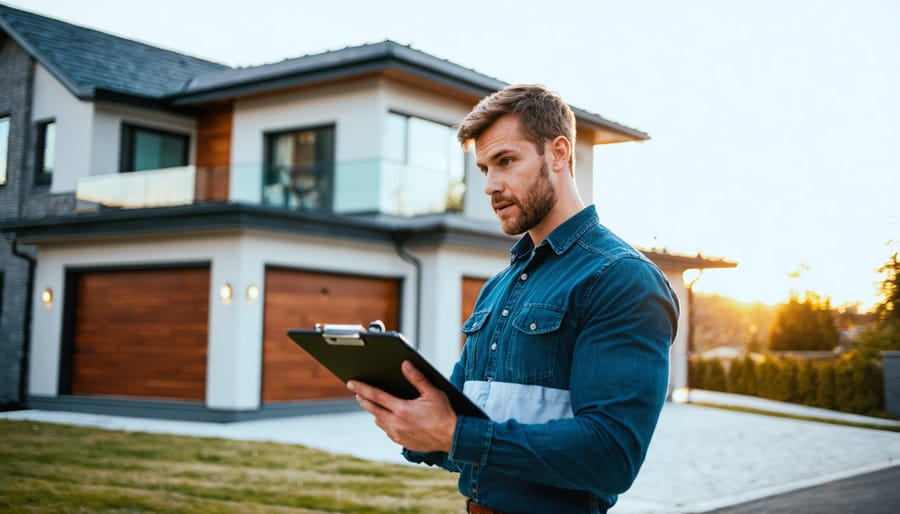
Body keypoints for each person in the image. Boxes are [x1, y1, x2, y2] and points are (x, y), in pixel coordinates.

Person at [348, 84, 680, 514]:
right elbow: (471, 435)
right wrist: (412, 424)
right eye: (484, 168)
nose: (490, 185)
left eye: (506, 161)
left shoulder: (621, 279)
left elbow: (612, 455)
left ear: (559, 153)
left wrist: (452, 434)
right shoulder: (498, 287)